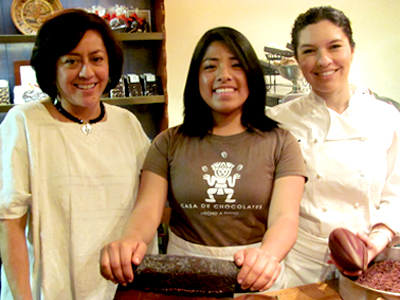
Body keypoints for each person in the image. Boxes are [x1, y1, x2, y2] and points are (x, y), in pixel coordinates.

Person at [100, 26, 306, 293]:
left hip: (256, 273)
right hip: (184, 274)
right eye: (210, 67)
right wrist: (130, 241)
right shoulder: (169, 142)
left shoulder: (282, 142)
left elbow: (285, 218)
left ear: (252, 75)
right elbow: (147, 210)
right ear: (196, 78)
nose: (224, 76)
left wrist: (268, 255)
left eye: (236, 65)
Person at [0, 9, 157, 300]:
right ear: (51, 67)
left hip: (120, 289)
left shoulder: (127, 124)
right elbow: (9, 222)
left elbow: (149, 203)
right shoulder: (23, 123)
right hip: (50, 289)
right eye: (71, 61)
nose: (86, 73)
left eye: (96, 59)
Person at [266, 6, 400, 287]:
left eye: (334, 47)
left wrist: (376, 240)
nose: (323, 60)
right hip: (300, 264)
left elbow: (397, 193)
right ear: (298, 59)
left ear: (352, 49)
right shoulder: (278, 122)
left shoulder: (386, 117)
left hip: (369, 259)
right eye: (309, 51)